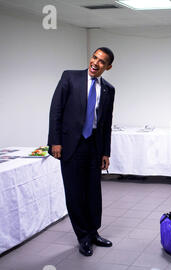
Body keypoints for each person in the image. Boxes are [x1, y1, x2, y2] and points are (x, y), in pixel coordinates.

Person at [48, 47, 116, 256]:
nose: (95, 63)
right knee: (75, 193)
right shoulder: (70, 77)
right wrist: (55, 142)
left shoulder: (109, 90)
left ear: (108, 67)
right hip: (71, 146)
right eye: (94, 57)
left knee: (93, 193)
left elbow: (106, 124)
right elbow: (56, 110)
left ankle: (94, 231)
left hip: (94, 146)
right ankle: (83, 237)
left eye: (102, 61)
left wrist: (106, 152)